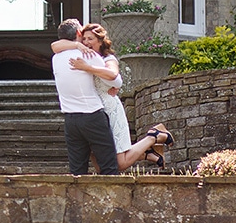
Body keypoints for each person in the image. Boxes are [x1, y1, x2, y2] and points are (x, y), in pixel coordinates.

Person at [53, 23, 175, 169]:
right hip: (93, 111)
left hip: (108, 108)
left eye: (90, 39)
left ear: (100, 41)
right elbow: (55, 45)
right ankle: (147, 153)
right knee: (100, 165)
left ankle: (154, 136)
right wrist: (78, 47)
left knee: (119, 163)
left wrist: (88, 68)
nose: (86, 42)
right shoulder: (82, 53)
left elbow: (115, 78)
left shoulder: (105, 58)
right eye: (84, 39)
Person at [51, 18, 120, 175]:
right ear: (78, 33)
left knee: (77, 171)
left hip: (70, 120)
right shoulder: (89, 55)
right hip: (92, 115)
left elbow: (55, 47)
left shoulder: (55, 59)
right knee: (108, 167)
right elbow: (113, 79)